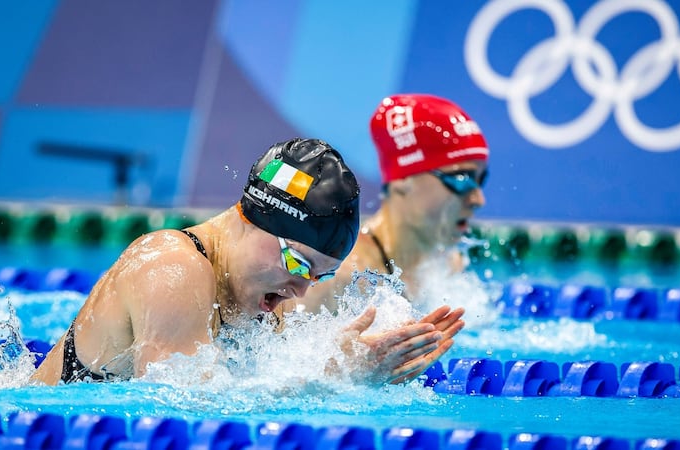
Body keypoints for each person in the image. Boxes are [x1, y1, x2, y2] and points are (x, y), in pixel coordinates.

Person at [31, 137, 464, 385]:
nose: (302, 290)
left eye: (320, 276)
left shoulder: (256, 301)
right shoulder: (171, 268)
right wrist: (334, 377)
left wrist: (362, 371)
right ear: (255, 220)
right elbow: (176, 411)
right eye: (298, 264)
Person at [298, 94, 489, 314]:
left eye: (481, 180)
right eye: (461, 179)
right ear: (403, 180)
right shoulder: (338, 278)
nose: (478, 200)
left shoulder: (448, 265)